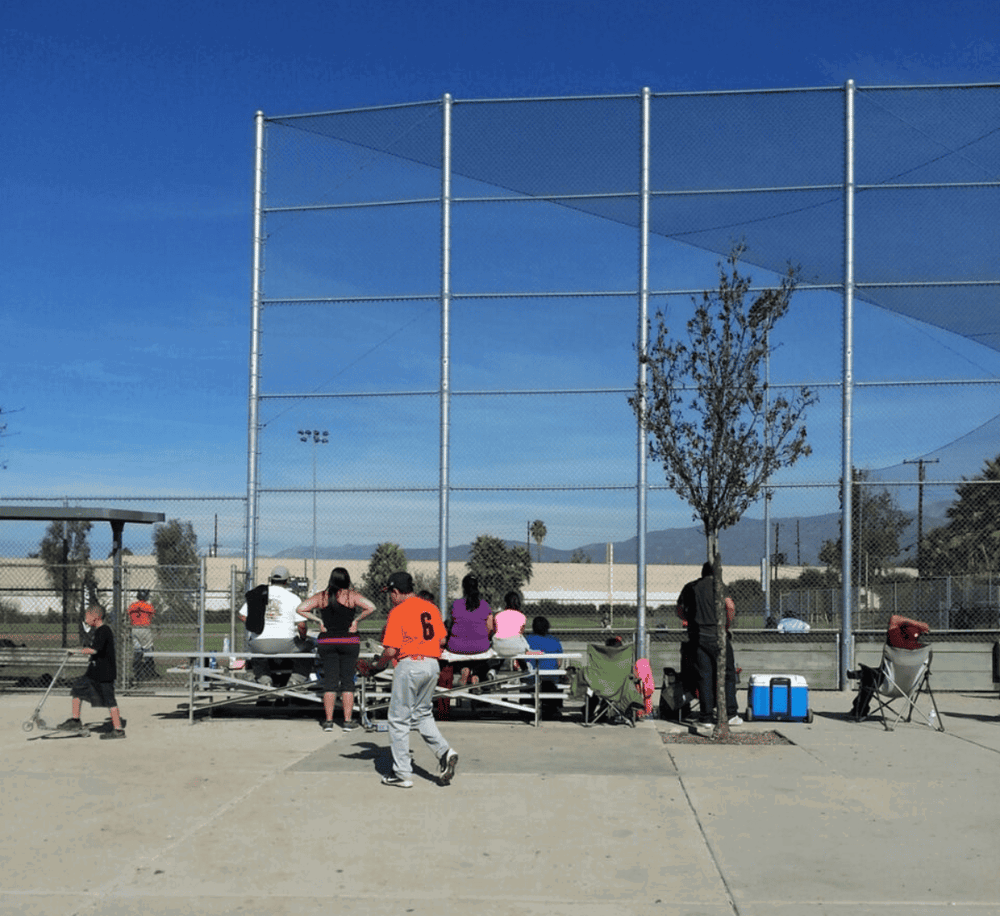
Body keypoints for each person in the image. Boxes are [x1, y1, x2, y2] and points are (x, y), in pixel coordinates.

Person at [368, 571, 458, 788]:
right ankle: (444, 751)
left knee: (399, 720)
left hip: (410, 665)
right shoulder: (430, 607)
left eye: (391, 592)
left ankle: (402, 774)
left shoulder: (398, 611)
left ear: (397, 592)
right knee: (422, 714)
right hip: (431, 664)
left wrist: (375, 668)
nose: (390, 596)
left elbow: (390, 651)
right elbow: (443, 638)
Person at [295, 567, 375, 732]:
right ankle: (347, 721)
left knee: (330, 682)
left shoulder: (322, 596)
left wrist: (318, 620)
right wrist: (356, 620)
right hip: (349, 640)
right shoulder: (351, 595)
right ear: (346, 579)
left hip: (328, 640)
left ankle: (329, 721)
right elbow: (371, 607)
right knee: (348, 681)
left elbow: (301, 609)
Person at [676, 562, 740, 730]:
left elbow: (679, 609)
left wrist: (689, 620)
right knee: (727, 674)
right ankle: (730, 713)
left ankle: (706, 717)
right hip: (718, 634)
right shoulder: (719, 586)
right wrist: (726, 625)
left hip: (699, 636)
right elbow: (730, 605)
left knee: (704, 676)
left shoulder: (691, 587)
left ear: (702, 572)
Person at [58, 605, 126, 739]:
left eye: (87, 616)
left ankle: (118, 730)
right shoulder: (98, 631)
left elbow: (94, 650)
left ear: (96, 617)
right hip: (93, 672)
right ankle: (75, 721)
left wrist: (76, 651)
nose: (85, 619)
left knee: (109, 700)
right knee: (77, 688)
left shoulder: (104, 630)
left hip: (104, 674)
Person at [238, 566, 313, 687]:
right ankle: (295, 680)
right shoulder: (293, 598)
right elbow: (302, 624)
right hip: (286, 644)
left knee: (256, 651)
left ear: (270, 579)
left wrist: (255, 625)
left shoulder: (258, 593)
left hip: (259, 643)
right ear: (287, 581)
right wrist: (303, 638)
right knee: (308, 650)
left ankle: (265, 681)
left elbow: (242, 615)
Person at [849, 614, 930, 718]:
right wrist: (921, 627)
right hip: (908, 688)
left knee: (868, 676)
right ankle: (858, 674)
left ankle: (859, 710)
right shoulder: (921, 651)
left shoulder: (895, 641)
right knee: (873, 673)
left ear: (901, 632)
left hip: (888, 685)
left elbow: (894, 618)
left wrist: (917, 623)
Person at [445, 574, 494, 688]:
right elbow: (490, 628)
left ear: (463, 588)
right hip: (480, 647)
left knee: (461, 654)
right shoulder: (485, 605)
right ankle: (476, 675)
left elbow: (449, 624)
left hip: (457, 647)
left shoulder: (455, 604)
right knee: (481, 657)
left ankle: (464, 669)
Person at [524, 615, 564, 719]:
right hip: (550, 677)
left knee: (528, 677)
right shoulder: (555, 640)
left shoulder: (527, 640)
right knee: (555, 678)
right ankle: (553, 707)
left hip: (531, 677)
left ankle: (527, 704)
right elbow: (559, 663)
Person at [491, 590, 529, 662]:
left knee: (503, 645)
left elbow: (495, 631)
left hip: (499, 648)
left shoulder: (498, 615)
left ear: (506, 602)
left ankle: (493, 669)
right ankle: (525, 669)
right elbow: (521, 632)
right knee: (517, 641)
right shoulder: (522, 616)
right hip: (517, 648)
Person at [127, 588, 157, 679]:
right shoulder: (148, 606)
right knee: (148, 650)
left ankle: (138, 673)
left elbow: (129, 616)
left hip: (134, 629)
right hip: (144, 629)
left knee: (137, 651)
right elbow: (151, 616)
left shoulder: (132, 606)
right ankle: (149, 672)